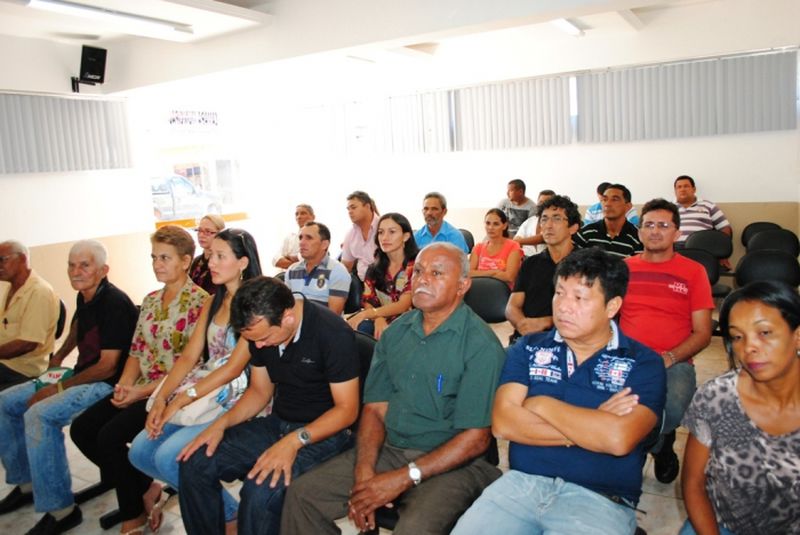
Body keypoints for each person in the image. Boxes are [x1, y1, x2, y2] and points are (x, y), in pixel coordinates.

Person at [282, 243, 506, 535]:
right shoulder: (397, 333)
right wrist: (365, 471)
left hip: (456, 463)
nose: (423, 279)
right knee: (302, 496)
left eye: (437, 273)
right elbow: (375, 409)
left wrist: (403, 478)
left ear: (463, 285)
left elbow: (475, 439)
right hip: (392, 450)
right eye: (420, 271)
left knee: (414, 527)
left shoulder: (481, 346)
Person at [452, 247, 666, 535]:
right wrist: (593, 424)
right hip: (521, 485)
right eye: (559, 293)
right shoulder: (528, 348)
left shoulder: (642, 362)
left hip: (599, 499)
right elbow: (504, 424)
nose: (563, 306)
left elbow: (617, 438)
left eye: (579, 298)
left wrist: (540, 404)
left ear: (612, 306)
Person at [177, 276, 360, 535]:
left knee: (260, 489)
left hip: (326, 433)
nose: (259, 346)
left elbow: (347, 410)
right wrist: (221, 424)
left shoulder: (331, 333)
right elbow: (259, 391)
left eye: (263, 339)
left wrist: (294, 441)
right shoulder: (259, 332)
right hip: (279, 423)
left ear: (287, 317)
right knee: (195, 462)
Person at [69, 226, 207, 535]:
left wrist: (140, 392)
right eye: (154, 257)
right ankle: (144, 486)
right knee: (82, 429)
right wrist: (124, 386)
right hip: (140, 386)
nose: (157, 264)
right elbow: (136, 350)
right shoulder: (151, 300)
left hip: (169, 391)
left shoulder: (199, 302)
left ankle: (134, 513)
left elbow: (191, 363)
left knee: (109, 438)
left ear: (186, 261)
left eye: (165, 258)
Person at [0, 240, 138, 535]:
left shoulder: (114, 303)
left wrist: (58, 389)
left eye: (84, 265)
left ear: (103, 270)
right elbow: (78, 324)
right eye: (72, 265)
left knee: (39, 415)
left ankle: (61, 510)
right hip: (81, 373)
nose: (76, 271)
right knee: (5, 402)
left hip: (105, 384)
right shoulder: (85, 295)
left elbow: (108, 367)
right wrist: (60, 358)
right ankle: (26, 483)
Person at [129, 229, 262, 533]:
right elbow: (189, 357)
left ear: (242, 262)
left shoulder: (254, 303)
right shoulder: (214, 301)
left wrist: (182, 397)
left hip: (235, 395)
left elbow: (232, 369)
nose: (211, 263)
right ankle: (227, 510)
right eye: (210, 255)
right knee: (139, 452)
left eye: (220, 256)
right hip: (202, 390)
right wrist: (162, 397)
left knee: (168, 458)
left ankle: (229, 515)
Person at [680, 281, 800, 535]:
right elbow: (693, 482)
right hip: (722, 523)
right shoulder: (716, 397)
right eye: (737, 336)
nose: (749, 347)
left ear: (797, 335)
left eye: (764, 333)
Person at [619, 199, 713, 484]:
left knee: (671, 410)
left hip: (674, 362)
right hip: (627, 359)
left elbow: (703, 333)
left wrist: (668, 358)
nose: (655, 231)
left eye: (663, 225)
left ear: (677, 233)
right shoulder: (623, 269)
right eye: (648, 224)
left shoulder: (693, 272)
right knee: (616, 408)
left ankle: (658, 440)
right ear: (639, 232)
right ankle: (657, 444)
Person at [506, 195, 580, 343]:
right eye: (544, 219)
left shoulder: (586, 264)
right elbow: (512, 306)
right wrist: (522, 325)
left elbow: (591, 314)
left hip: (570, 342)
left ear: (573, 228)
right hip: (528, 339)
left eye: (557, 218)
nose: (548, 225)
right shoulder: (531, 263)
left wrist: (546, 322)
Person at [346, 213, 418, 339]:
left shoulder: (416, 266)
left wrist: (370, 313)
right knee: (354, 329)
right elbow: (368, 300)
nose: (384, 237)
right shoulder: (374, 268)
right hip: (381, 319)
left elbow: (403, 305)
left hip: (410, 323)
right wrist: (378, 318)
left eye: (392, 232)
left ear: (406, 236)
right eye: (380, 232)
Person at [0, 240, 59, 391]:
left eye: (2, 260)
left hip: (23, 369)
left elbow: (27, 343)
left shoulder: (39, 292)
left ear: (22, 259)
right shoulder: (12, 288)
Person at [285, 221, 351, 315]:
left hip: (322, 327)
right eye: (300, 238)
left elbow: (333, 316)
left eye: (309, 238)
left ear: (324, 244)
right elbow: (285, 306)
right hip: (293, 326)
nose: (301, 243)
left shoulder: (337, 271)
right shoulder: (292, 270)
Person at [574, 183, 643, 258]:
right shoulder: (586, 233)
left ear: (628, 206)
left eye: (614, 199)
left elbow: (638, 266)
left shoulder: (637, 237)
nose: (607, 204)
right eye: (604, 199)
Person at [469, 208, 522, 287]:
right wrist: (492, 272)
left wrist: (480, 273)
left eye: (496, 224)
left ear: (504, 226)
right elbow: (468, 273)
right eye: (488, 223)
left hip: (502, 293)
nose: (490, 227)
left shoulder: (513, 246)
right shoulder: (478, 247)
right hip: (478, 290)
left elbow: (509, 277)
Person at [673, 175, 732, 246]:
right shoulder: (668, 208)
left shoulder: (708, 205)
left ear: (694, 189)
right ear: (675, 191)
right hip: (675, 249)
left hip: (702, 247)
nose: (682, 189)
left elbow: (725, 227)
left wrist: (722, 247)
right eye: (679, 187)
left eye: (686, 186)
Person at [341, 191, 379, 281]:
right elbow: (346, 266)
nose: (350, 212)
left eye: (353, 208)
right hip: (363, 285)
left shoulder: (384, 227)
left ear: (367, 206)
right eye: (348, 209)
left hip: (388, 284)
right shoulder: (350, 234)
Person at [190, 214, 226, 294]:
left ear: (220, 234)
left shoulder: (222, 263)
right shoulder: (197, 261)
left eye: (208, 232)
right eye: (199, 230)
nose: (201, 235)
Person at [514, 189, 556, 256]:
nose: (542, 205)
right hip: (526, 259)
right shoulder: (529, 221)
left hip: (549, 259)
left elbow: (543, 238)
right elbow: (517, 238)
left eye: (547, 202)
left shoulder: (557, 221)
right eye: (540, 202)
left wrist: (518, 242)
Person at [272, 204, 314, 270]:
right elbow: (275, 260)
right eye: (297, 214)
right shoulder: (291, 236)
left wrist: (288, 258)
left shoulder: (319, 236)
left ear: (312, 217)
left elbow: (310, 261)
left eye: (303, 213)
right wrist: (297, 266)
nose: (299, 217)